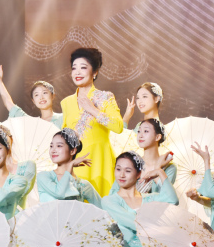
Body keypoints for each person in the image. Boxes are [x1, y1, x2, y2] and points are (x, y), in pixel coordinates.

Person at [102, 151, 186, 247]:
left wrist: (160, 172)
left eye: (128, 171)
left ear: (139, 174)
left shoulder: (148, 198)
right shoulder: (109, 201)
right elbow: (133, 222)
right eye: (118, 169)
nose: (121, 175)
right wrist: (162, 229)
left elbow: (172, 200)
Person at [61, 48, 123, 196]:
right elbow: (65, 136)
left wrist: (93, 110)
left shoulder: (105, 97)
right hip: (76, 163)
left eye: (83, 67)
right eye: (74, 68)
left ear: (95, 72)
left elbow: (118, 126)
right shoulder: (66, 102)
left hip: (100, 162)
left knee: (100, 203)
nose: (77, 72)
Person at [0, 61, 63, 128]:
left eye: (45, 92)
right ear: (33, 101)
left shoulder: (63, 118)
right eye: (36, 95)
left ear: (53, 95)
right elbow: (9, 103)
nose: (41, 97)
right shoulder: (31, 122)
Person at [109, 118, 175, 194]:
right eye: (139, 131)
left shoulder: (169, 168)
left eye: (146, 131)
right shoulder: (131, 163)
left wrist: (158, 170)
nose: (140, 135)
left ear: (157, 137)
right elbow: (113, 193)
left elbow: (166, 195)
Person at [36, 129, 101, 207]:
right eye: (51, 146)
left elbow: (102, 208)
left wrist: (70, 165)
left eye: (59, 146)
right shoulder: (43, 176)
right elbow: (59, 193)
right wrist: (70, 165)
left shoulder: (83, 185)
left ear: (72, 151)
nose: (53, 150)